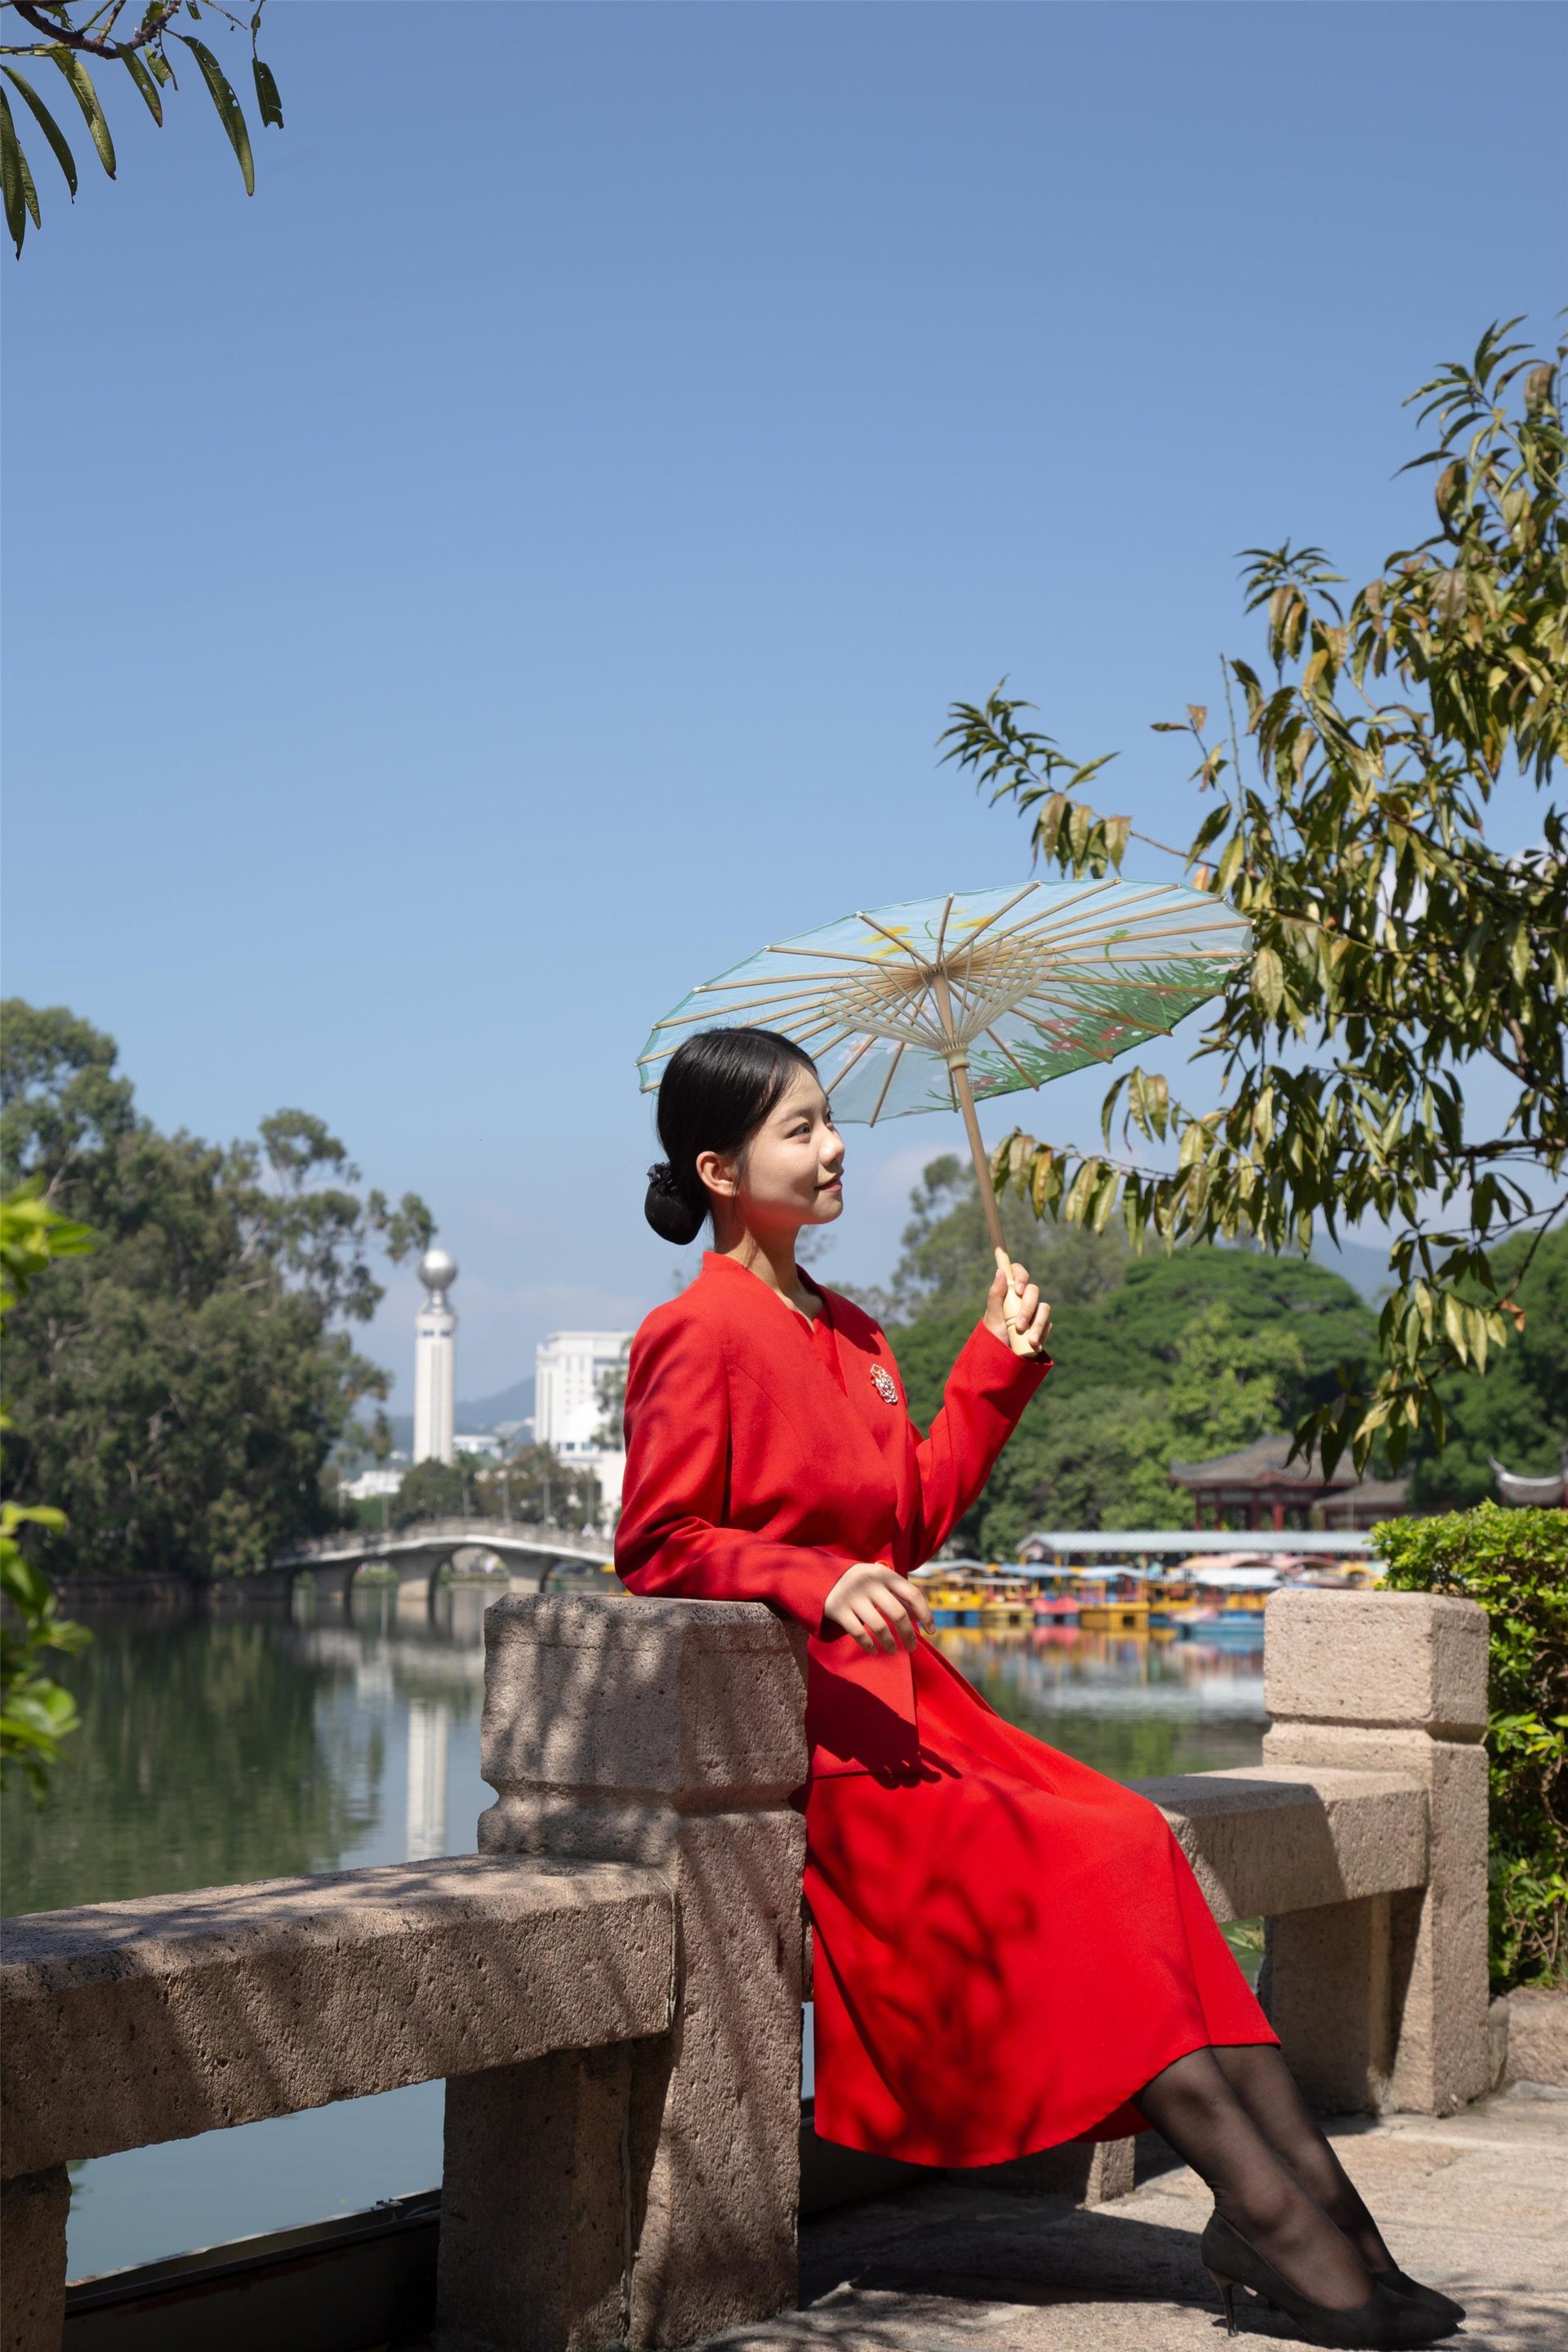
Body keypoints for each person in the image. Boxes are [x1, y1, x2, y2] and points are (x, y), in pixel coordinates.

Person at [616, 1027, 1462, 2350]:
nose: (834, 1148)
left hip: (919, 1707)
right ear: (720, 1169)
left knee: (1131, 1837)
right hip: (819, 1734)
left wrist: (993, 1370)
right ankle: (1282, 2225)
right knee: (1083, 1866)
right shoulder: (692, 1331)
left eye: (831, 1120)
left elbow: (909, 1519)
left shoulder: (852, 1330)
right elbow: (656, 1544)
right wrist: (807, 1580)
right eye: (800, 1131)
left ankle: (1320, 2214)